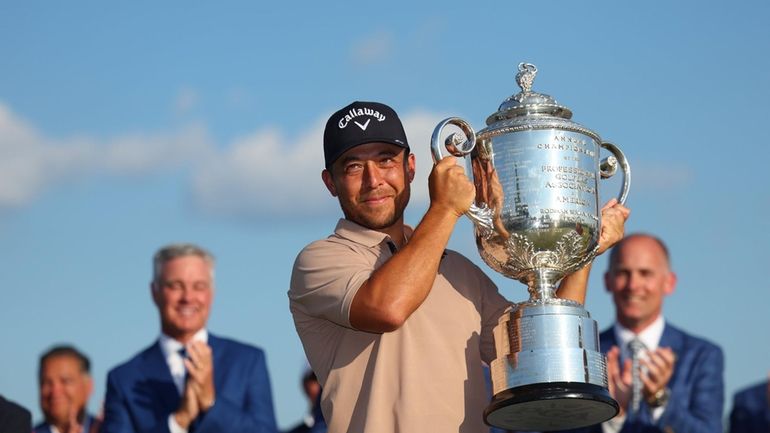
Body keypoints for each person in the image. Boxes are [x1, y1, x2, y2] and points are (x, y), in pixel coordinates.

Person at [288, 101, 630, 433]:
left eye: (385, 161)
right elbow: (388, 309)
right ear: (330, 182)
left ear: (410, 168)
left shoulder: (458, 271)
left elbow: (544, 356)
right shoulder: (320, 260)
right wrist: (444, 209)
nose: (373, 179)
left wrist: (585, 250)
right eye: (352, 167)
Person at [100, 243, 277, 433]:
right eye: (176, 286)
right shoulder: (124, 379)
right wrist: (179, 421)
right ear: (154, 292)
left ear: (211, 293)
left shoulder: (248, 361)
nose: (188, 297)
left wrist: (211, 403)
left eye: (199, 286)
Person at [572, 233, 724, 433]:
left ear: (669, 282)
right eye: (623, 273)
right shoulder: (583, 354)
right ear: (607, 281)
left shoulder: (701, 355)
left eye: (645, 273)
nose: (633, 285)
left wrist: (659, 400)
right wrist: (612, 417)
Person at [35, 345, 99, 433]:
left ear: (88, 386)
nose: (55, 391)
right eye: (47, 382)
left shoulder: (109, 429)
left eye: (65, 381)